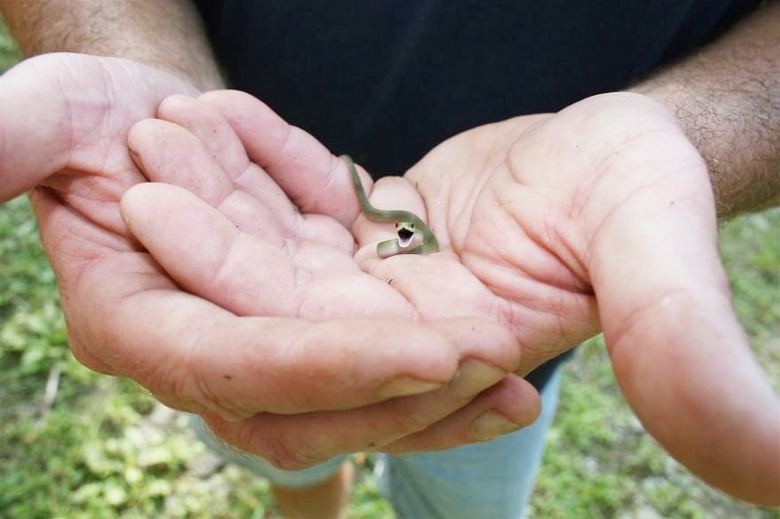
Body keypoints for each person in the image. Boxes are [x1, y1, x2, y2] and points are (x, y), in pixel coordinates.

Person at [0, 1, 777, 517]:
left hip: (503, 328)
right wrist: (133, 59)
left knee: (465, 480)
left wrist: (677, 130)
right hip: (228, 269)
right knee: (283, 443)